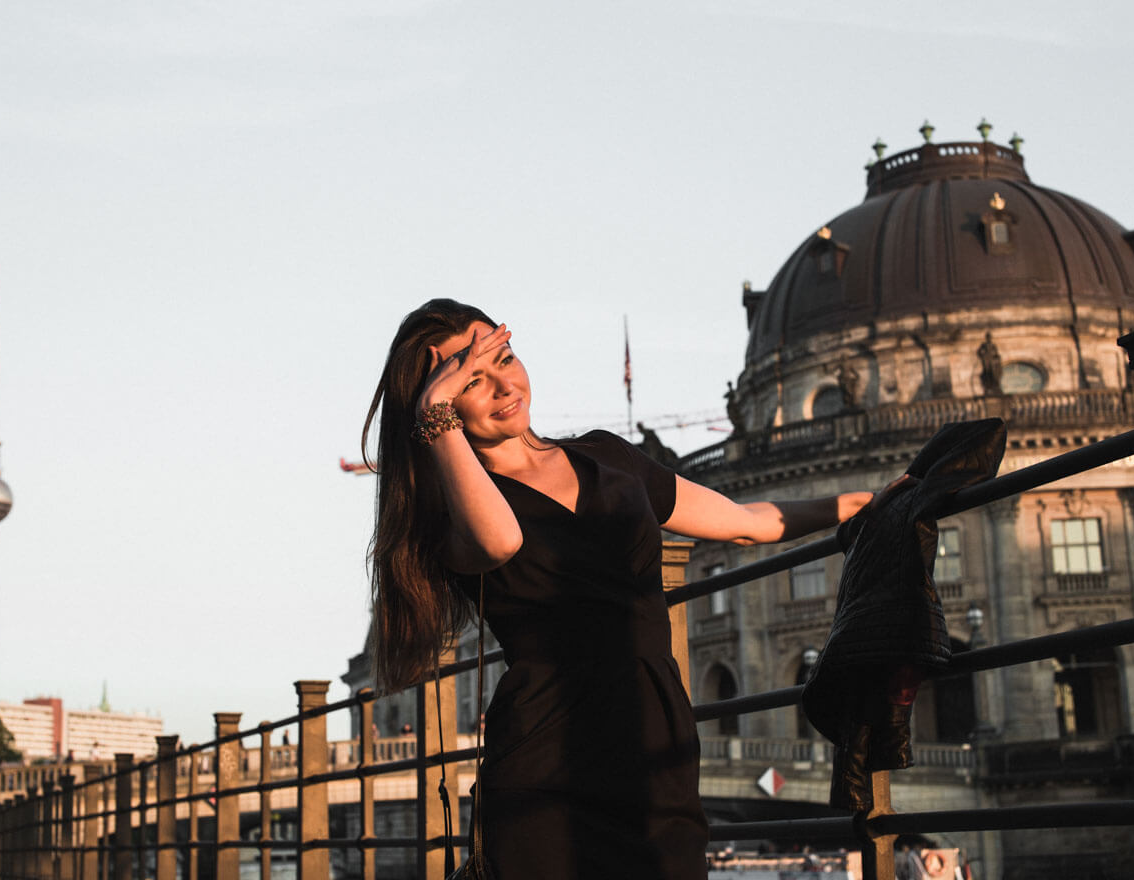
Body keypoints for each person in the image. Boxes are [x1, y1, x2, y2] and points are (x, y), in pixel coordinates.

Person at [363, 300, 896, 880]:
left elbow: (745, 522)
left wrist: (861, 505)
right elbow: (499, 541)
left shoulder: (608, 456)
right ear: (439, 404)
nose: (502, 386)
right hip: (545, 761)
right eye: (470, 380)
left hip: (654, 737)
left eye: (504, 358)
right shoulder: (456, 513)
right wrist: (435, 416)